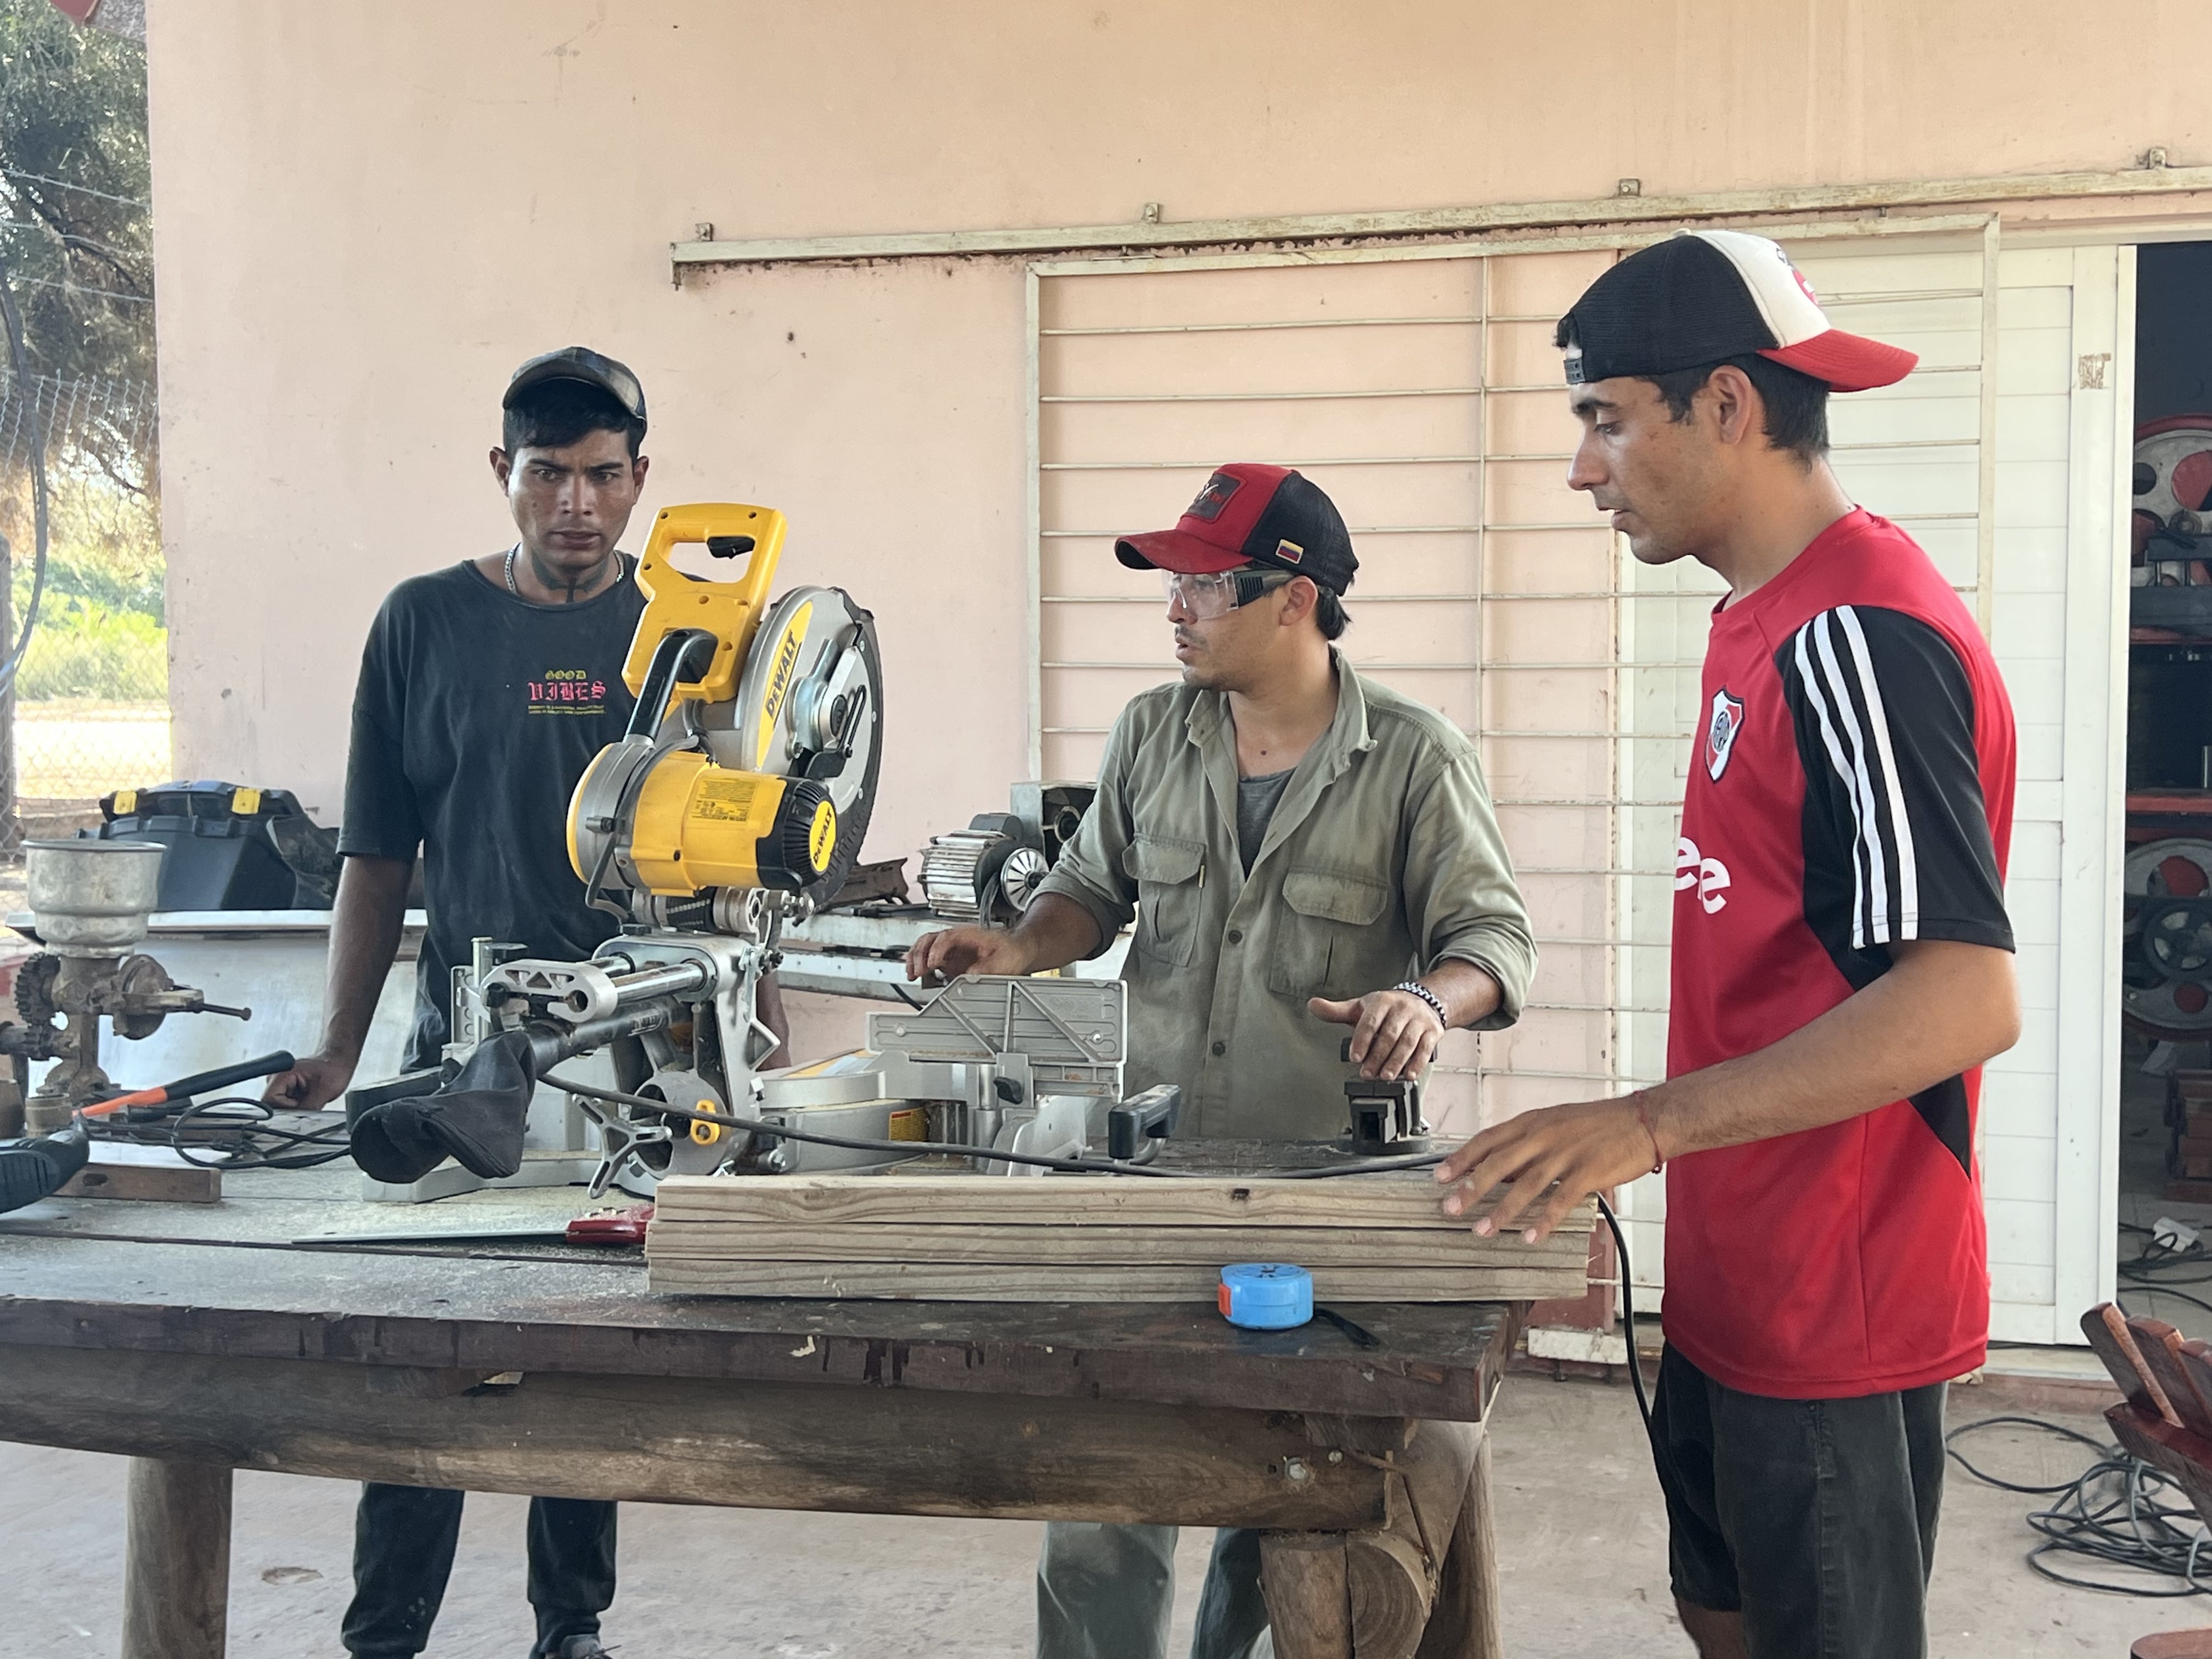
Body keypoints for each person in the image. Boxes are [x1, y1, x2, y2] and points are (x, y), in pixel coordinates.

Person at [1432, 232, 2021, 1659]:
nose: (1583, 470)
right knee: (1725, 1610)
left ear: (1728, 405)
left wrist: (1645, 1122)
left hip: (1835, 1295)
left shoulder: (1859, 636)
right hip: (1739, 1263)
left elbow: (1964, 998)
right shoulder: (1762, 619)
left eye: (1606, 419)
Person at [906, 462, 1536, 1659]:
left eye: (1203, 585)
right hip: (1149, 1170)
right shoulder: (1153, 731)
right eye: (1174, 585)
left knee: (1283, 1495)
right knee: (1103, 1481)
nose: (1175, 608)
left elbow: (1494, 944)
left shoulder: (1414, 759)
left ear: (1294, 599)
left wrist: (1424, 1000)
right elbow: (1089, 891)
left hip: (1318, 1196)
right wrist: (1018, 947)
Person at [267, 345, 780, 1659]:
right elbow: (375, 856)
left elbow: (738, 847)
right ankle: (386, 1635)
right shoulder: (423, 622)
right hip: (460, 1040)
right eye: (547, 474)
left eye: (603, 477)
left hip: (635, 1047)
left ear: (642, 479)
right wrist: (338, 1048)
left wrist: (737, 1046)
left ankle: (572, 1629)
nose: (576, 505)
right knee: (421, 1341)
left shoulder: (694, 632)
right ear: (502, 470)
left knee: (586, 1345)